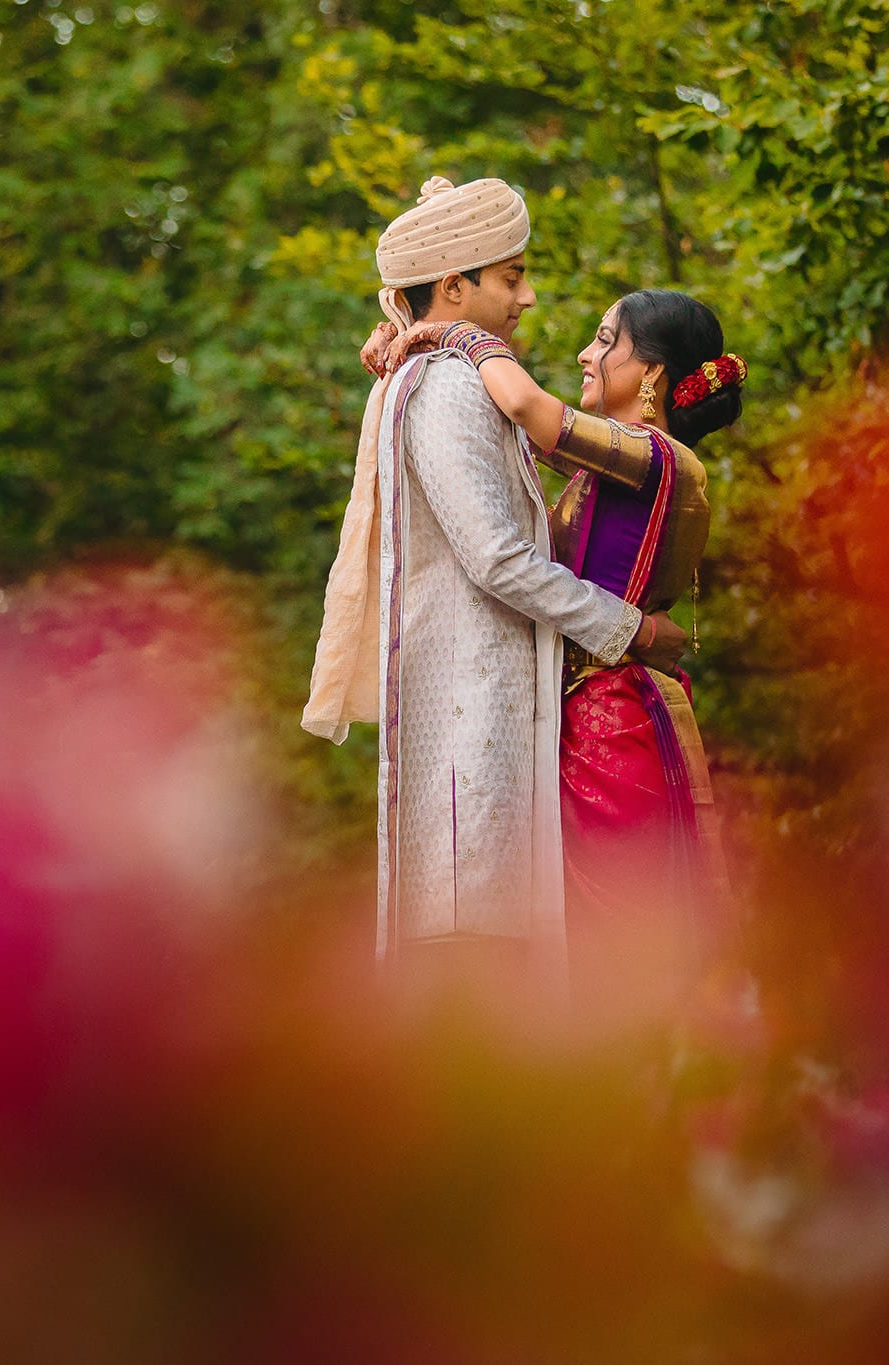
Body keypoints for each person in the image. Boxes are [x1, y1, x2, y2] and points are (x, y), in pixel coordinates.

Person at [302, 176, 686, 989]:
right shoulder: (446, 387)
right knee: (481, 980)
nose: (528, 296)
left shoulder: (446, 373)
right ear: (454, 286)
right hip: (472, 754)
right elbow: (501, 559)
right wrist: (630, 629)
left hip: (498, 733)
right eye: (511, 278)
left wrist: (432, 337)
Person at [367, 288, 742, 994]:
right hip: (588, 713)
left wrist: (457, 333)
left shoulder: (655, 457)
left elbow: (526, 411)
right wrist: (405, 334)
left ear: (653, 373)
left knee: (613, 944)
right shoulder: (622, 463)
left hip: (610, 724)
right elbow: (505, 445)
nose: (586, 353)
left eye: (606, 341)